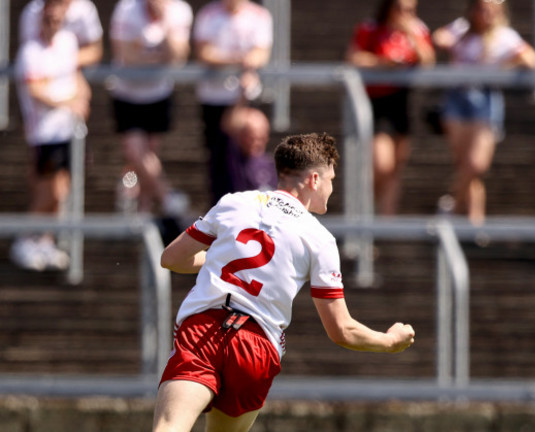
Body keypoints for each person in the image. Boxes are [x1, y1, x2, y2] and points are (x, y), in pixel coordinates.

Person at [152, 132, 415, 432]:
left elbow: (171, 258)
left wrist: (214, 261)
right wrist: (390, 341)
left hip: (203, 330)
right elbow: (342, 330)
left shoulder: (234, 203)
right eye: (331, 179)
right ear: (314, 179)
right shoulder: (320, 239)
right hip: (256, 346)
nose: (331, 188)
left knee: (169, 427)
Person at [432, 0, 535, 224]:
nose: (487, 13)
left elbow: (531, 60)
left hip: (485, 98)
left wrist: (501, 69)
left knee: (476, 164)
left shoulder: (505, 36)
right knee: (464, 165)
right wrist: (451, 43)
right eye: (482, 7)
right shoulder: (461, 28)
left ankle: (452, 204)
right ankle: (475, 220)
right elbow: (439, 37)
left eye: (492, 9)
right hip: (458, 97)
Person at [11, 0, 91, 271]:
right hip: (44, 133)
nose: (53, 25)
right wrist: (69, 101)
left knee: (62, 190)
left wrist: (82, 96)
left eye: (57, 21)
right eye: (48, 20)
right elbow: (36, 90)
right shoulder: (30, 51)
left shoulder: (68, 42)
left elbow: (76, 75)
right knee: (49, 191)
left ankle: (45, 241)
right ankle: (24, 238)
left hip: (68, 130)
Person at [346, 0, 435, 215]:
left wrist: (411, 34)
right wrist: (383, 63)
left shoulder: (418, 29)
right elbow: (354, 57)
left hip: (403, 101)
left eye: (410, 10)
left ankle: (387, 221)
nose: (405, 14)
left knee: (396, 167)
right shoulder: (371, 28)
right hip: (377, 101)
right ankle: (367, 212)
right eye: (400, 9)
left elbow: (428, 61)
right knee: (382, 164)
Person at [108, 0, 193, 215]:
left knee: (150, 156)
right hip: (127, 93)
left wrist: (164, 23)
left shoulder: (179, 11)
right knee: (136, 151)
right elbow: (126, 56)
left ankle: (142, 209)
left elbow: (178, 56)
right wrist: (159, 60)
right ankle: (167, 196)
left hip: (158, 93)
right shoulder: (126, 9)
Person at [193, 0, 273, 206]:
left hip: (248, 97)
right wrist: (239, 60)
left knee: (253, 158)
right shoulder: (208, 14)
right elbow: (204, 53)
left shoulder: (259, 15)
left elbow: (260, 54)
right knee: (221, 161)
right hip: (216, 98)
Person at [19, 0, 103, 68]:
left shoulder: (68, 40)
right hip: (40, 73)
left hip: (74, 74)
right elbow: (28, 55)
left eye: (55, 21)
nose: (53, 14)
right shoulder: (32, 10)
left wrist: (63, 63)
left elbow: (95, 51)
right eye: (48, 21)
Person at [219, 104, 278, 194]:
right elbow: (227, 127)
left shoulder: (271, 165)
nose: (256, 142)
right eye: (251, 137)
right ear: (239, 136)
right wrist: (242, 95)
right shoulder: (231, 160)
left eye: (261, 137)